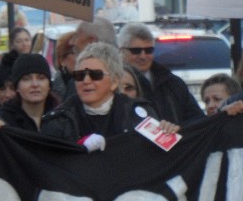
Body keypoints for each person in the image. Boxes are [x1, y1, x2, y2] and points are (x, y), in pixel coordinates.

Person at [41, 42, 172, 142]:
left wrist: (169, 132)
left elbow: (160, 156)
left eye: (95, 75)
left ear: (114, 82)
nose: (86, 81)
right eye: (80, 75)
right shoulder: (58, 121)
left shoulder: (139, 114)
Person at [118, 22, 204, 125]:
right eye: (136, 51)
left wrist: (177, 129)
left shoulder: (172, 83)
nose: (143, 56)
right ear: (121, 51)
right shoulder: (111, 84)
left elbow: (197, 120)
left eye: (148, 50)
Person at [0, 53, 61, 132]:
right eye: (26, 79)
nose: (35, 84)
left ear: (49, 85)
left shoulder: (62, 119)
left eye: (41, 78)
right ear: (17, 87)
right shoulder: (4, 120)